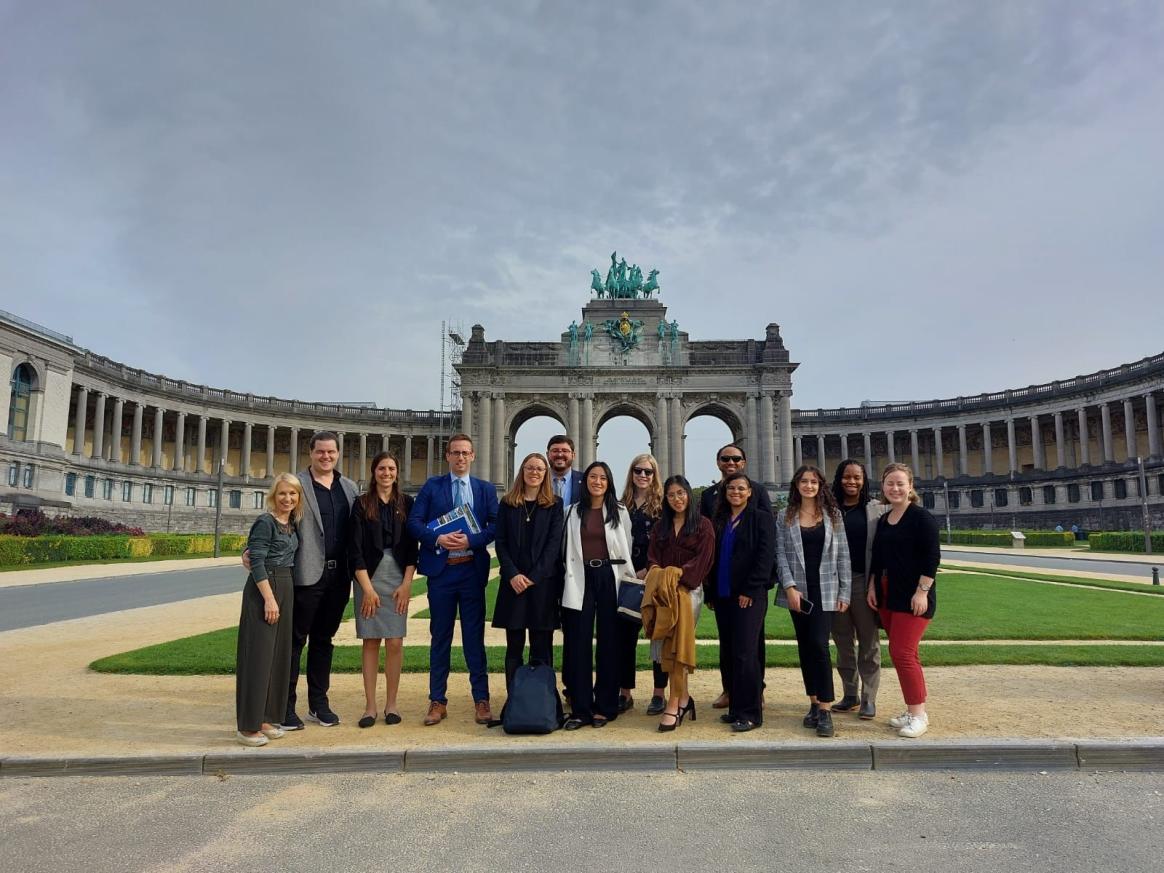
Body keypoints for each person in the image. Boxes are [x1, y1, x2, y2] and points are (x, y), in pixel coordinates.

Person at [407, 433, 499, 726]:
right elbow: (414, 523)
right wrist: (439, 537)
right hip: (442, 571)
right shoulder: (433, 486)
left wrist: (471, 541)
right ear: (447, 456)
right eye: (455, 453)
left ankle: (481, 700)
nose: (460, 458)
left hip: (471, 570)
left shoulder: (485, 490)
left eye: (465, 453)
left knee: (474, 639)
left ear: (473, 456)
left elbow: (496, 525)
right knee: (440, 638)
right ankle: (437, 701)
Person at [283, 431, 359, 729]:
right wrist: (254, 548)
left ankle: (318, 703)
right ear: (311, 453)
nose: (326, 457)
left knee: (323, 641)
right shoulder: (295, 484)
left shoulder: (349, 488)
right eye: (320, 452)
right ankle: (285, 706)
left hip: (339, 576)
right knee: (295, 641)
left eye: (331, 452)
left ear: (338, 454)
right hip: (307, 574)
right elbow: (279, 518)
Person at [776, 464, 851, 738]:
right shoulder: (785, 515)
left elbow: (843, 555)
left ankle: (826, 708)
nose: (809, 486)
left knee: (819, 645)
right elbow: (781, 554)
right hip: (799, 592)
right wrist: (789, 587)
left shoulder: (833, 515)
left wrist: (845, 592)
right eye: (804, 481)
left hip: (826, 589)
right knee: (806, 647)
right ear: (796, 485)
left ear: (821, 486)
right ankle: (813, 702)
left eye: (814, 482)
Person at [560, 461, 637, 729]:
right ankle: (581, 708)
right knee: (578, 644)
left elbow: (627, 546)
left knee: (609, 642)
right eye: (593, 476)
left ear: (609, 482)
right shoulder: (571, 512)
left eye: (603, 477)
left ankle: (605, 705)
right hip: (580, 577)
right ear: (585, 481)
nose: (597, 481)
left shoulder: (621, 512)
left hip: (610, 578)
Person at [698, 442, 773, 712]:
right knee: (727, 640)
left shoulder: (760, 493)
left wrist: (756, 586)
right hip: (722, 585)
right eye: (725, 459)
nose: (730, 463)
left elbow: (766, 546)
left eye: (736, 459)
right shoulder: (708, 497)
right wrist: (708, 589)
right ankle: (730, 689)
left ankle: (755, 693)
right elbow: (705, 545)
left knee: (751, 643)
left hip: (749, 588)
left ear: (744, 462)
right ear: (718, 462)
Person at [868, 462, 941, 739]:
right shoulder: (885, 520)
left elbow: (932, 557)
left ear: (911, 487)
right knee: (905, 654)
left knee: (902, 653)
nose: (895, 488)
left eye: (900, 483)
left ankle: (919, 715)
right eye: (890, 483)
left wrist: (922, 591)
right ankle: (912, 710)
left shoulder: (921, 517)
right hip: (889, 594)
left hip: (913, 597)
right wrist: (873, 586)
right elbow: (878, 558)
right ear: (883, 488)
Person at [346, 451, 418, 728]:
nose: (386, 473)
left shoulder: (407, 503)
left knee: (396, 641)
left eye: (391, 469)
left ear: (397, 473)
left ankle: (392, 704)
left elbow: (413, 549)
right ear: (373, 471)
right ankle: (370, 707)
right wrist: (367, 589)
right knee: (371, 640)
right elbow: (355, 550)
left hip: (398, 576)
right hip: (369, 577)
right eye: (381, 469)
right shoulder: (361, 504)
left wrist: (407, 584)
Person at [235, 473, 303, 746]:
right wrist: (270, 599)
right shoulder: (266, 521)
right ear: (274, 495)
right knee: (258, 657)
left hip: (285, 584)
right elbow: (257, 560)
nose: (288, 498)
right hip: (266, 589)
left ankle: (265, 718)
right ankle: (247, 726)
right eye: (283, 493)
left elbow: (253, 550)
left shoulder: (291, 524)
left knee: (277, 658)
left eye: (293, 494)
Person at [708, 471, 776, 732]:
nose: (735, 492)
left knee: (746, 653)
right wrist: (712, 593)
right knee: (729, 651)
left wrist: (750, 589)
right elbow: (715, 559)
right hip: (724, 595)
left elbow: (765, 557)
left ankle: (751, 713)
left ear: (750, 492)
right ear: (725, 493)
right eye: (731, 489)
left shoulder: (761, 519)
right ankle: (736, 707)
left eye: (741, 488)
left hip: (749, 596)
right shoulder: (721, 520)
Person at [646, 474, 715, 731]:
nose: (677, 499)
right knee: (665, 646)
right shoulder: (660, 526)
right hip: (663, 593)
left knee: (678, 646)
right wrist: (662, 577)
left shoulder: (703, 525)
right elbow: (652, 557)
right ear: (665, 498)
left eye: (681, 493)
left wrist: (678, 577)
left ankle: (673, 704)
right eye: (672, 494)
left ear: (689, 494)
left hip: (688, 593)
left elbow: (703, 560)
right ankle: (684, 698)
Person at [493, 452, 565, 691]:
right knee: (513, 647)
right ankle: (514, 700)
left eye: (539, 469)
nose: (534, 472)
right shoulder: (507, 503)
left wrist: (533, 577)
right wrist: (512, 573)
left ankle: (542, 701)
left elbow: (554, 545)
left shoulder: (555, 504)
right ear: (521, 471)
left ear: (546, 474)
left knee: (541, 647)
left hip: (542, 585)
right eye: (529, 468)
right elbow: (500, 542)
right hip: (513, 583)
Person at [828, 460, 887, 720]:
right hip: (835, 582)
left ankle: (868, 698)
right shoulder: (828, 508)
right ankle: (850, 694)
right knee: (842, 641)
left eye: (857, 477)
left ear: (864, 480)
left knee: (868, 642)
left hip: (863, 581)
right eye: (846, 477)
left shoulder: (875, 509)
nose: (851, 482)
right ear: (838, 479)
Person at [618, 453, 663, 714]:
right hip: (626, 578)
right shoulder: (621, 504)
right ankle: (625, 692)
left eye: (648, 471)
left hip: (653, 576)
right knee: (624, 638)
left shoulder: (662, 505)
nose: (643, 475)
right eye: (638, 470)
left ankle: (658, 693)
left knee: (658, 636)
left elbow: (666, 541)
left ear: (654, 474)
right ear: (631, 473)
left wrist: (648, 569)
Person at [547, 435, 584, 511]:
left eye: (565, 451)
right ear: (547, 455)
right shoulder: (538, 481)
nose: (560, 455)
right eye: (555, 451)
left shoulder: (585, 481)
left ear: (573, 455)